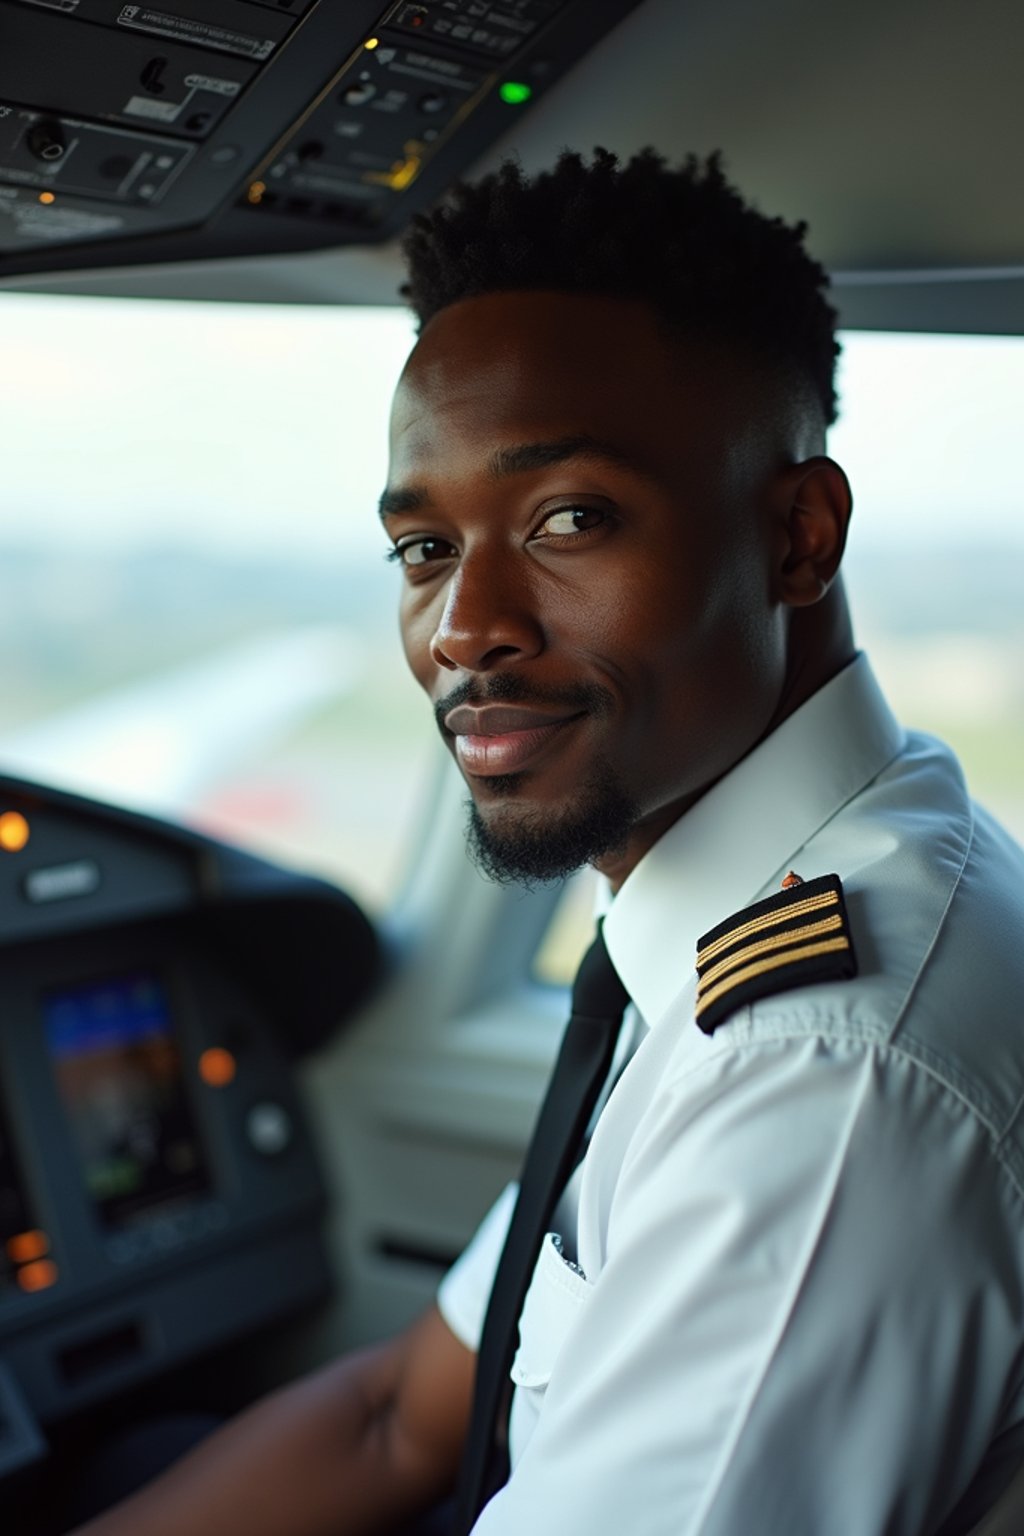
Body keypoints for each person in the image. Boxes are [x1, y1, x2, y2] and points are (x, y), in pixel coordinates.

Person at [73, 149, 1024, 1536]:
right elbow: (402, 1412)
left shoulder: (824, 1071)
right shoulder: (784, 886)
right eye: (425, 548)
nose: (465, 628)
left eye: (569, 518)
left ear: (798, 539)